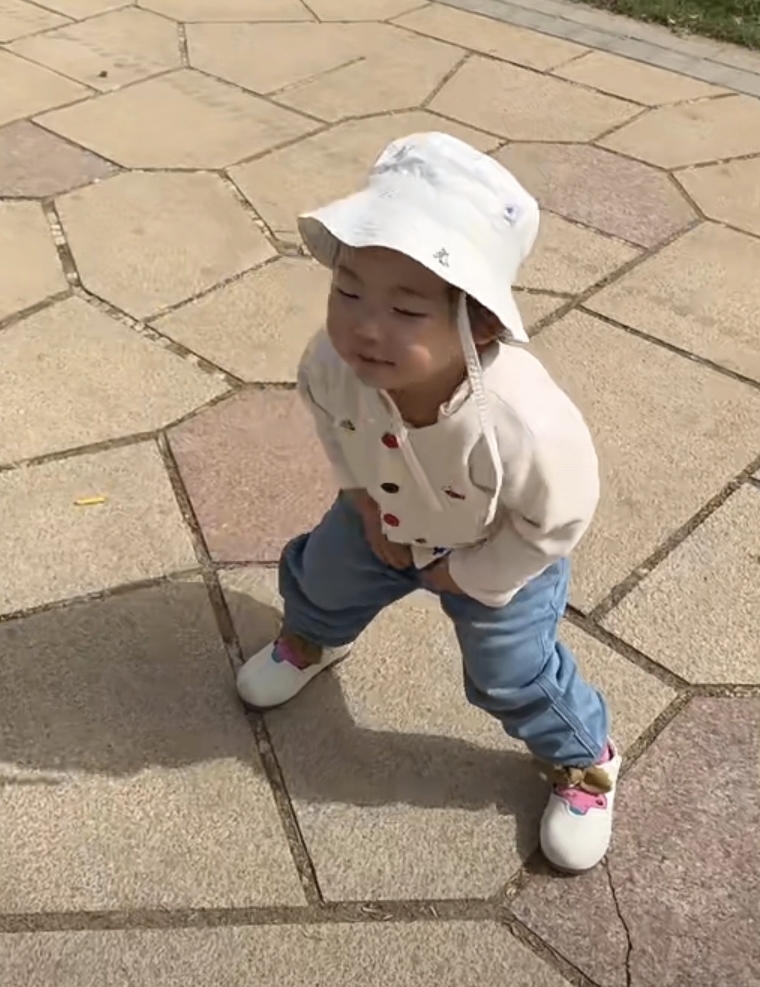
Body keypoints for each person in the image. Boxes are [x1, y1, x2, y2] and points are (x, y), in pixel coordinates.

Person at [236, 131, 619, 874]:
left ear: (479, 321)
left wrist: (474, 574)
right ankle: (314, 637)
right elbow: (331, 417)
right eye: (346, 291)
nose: (363, 325)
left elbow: (558, 518)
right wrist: (357, 494)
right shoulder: (331, 361)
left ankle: (583, 758)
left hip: (496, 548)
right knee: (323, 576)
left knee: (510, 667)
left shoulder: (523, 423)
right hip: (382, 517)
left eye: (407, 310)